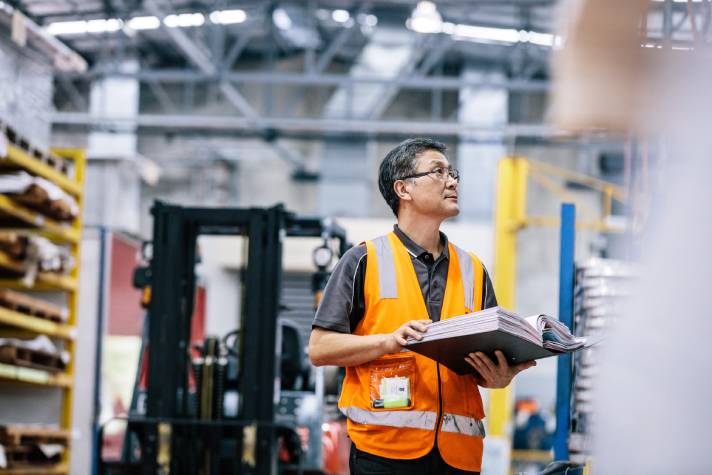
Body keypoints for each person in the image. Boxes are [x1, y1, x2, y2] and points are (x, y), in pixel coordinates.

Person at [308, 138, 536, 475]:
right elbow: (319, 348)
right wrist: (386, 342)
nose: (452, 181)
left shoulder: (473, 269)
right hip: (384, 452)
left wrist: (498, 377)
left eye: (452, 172)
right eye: (438, 171)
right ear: (403, 189)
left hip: (459, 456)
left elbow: (481, 363)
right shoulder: (363, 260)